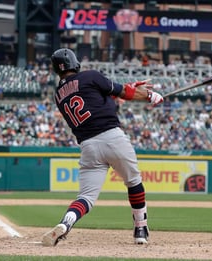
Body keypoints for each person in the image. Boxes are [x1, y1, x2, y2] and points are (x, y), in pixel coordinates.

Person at [41, 48, 163, 247]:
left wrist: (126, 90)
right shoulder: (90, 76)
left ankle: (66, 222)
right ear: (74, 62)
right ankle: (140, 229)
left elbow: (94, 99)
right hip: (113, 137)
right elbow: (122, 92)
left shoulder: (58, 95)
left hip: (88, 146)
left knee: (86, 197)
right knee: (134, 182)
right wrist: (149, 95)